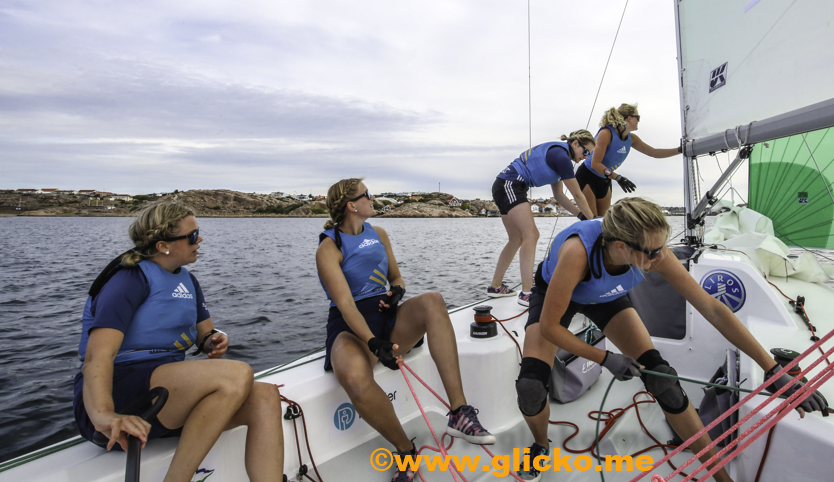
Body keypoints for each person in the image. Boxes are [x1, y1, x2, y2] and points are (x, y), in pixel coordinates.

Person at [512, 197, 827, 482]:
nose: (658, 258)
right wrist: (606, 359)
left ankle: (722, 478)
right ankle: (540, 445)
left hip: (607, 297)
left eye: (662, 248)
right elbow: (551, 327)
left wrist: (773, 370)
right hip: (557, 295)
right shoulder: (577, 253)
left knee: (663, 380)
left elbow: (712, 309)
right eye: (651, 253)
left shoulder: (654, 250)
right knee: (530, 387)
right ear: (620, 246)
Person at [74, 202, 284, 482]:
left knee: (265, 397)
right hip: (116, 394)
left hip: (164, 392)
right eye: (192, 236)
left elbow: (204, 334)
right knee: (237, 374)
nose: (200, 240)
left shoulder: (189, 281)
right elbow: (96, 357)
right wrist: (103, 415)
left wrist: (212, 341)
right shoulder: (129, 279)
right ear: (163, 246)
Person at [317, 178, 495, 482]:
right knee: (354, 379)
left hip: (387, 316)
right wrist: (374, 343)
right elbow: (345, 305)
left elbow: (396, 278)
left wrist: (397, 292)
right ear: (351, 205)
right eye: (367, 194)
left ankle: (459, 412)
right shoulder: (328, 248)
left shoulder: (379, 234)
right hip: (351, 327)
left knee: (433, 301)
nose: (373, 198)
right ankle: (405, 450)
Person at [487, 131, 598, 306]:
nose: (585, 157)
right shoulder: (561, 156)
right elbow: (577, 194)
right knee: (531, 235)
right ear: (575, 143)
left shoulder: (560, 157)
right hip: (510, 184)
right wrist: (593, 221)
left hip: (506, 185)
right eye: (585, 152)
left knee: (516, 239)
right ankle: (526, 293)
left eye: (589, 155)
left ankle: (495, 286)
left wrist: (581, 216)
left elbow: (560, 196)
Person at [576, 104, 680, 217]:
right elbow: (595, 164)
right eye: (638, 118)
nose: (639, 120)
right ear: (629, 118)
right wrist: (618, 178)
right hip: (587, 176)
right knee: (591, 220)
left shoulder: (632, 139)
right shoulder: (606, 133)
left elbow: (654, 152)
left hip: (605, 178)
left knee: (604, 222)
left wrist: (680, 150)